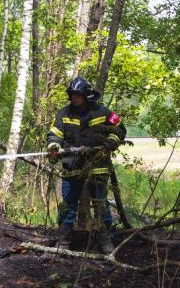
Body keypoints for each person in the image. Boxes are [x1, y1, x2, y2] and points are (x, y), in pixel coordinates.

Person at [46, 77, 126, 253]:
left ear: (86, 95)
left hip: (97, 165)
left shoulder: (103, 112)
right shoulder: (64, 114)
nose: (74, 97)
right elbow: (55, 134)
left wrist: (109, 143)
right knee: (68, 203)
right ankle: (63, 242)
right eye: (72, 94)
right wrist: (53, 146)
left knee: (100, 204)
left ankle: (105, 242)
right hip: (71, 165)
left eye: (78, 94)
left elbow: (120, 128)